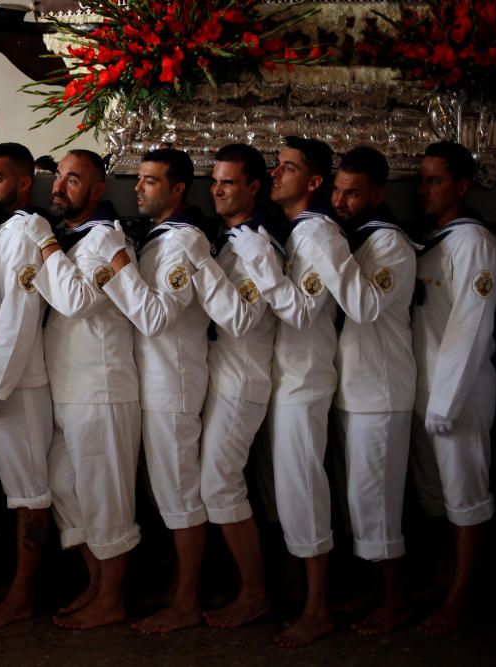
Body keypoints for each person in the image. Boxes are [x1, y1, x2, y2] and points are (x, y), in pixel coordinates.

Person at [293, 146, 418, 634]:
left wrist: (327, 245)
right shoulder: (352, 238)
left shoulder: (389, 245)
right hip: (354, 387)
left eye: (354, 194)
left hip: (381, 390)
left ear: (379, 195)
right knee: (357, 499)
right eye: (338, 192)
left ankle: (396, 599)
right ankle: (373, 590)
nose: (341, 203)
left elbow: (362, 306)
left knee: (378, 501)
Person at [89, 149, 212, 633]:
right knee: (163, 493)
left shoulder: (183, 243)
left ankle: (187, 602)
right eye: (138, 180)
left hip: (174, 383)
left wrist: (118, 264)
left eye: (150, 181)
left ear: (178, 189)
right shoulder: (161, 238)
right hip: (151, 380)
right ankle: (176, 589)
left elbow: (156, 317)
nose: (138, 189)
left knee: (180, 492)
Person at [18, 149, 142, 630]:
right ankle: (95, 586)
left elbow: (73, 301)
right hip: (68, 387)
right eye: (58, 178)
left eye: (74, 180)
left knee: (106, 496)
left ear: (96, 191)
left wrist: (46, 246)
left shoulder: (105, 239)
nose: (59, 186)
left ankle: (113, 599)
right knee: (68, 489)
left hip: (102, 387)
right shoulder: (74, 236)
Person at [227, 136, 339, 647]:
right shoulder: (290, 229)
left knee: (303, 488)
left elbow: (299, 310)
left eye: (288, 168)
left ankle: (318, 608)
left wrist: (260, 263)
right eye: (276, 165)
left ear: (314, 183)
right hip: (279, 376)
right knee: (279, 489)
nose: (276, 174)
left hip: (304, 378)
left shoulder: (317, 235)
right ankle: (293, 589)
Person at [410, 141, 496, 635]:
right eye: (422, 179)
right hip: (426, 389)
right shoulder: (435, 240)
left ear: (462, 187)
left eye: (436, 180)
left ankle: (462, 598)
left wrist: (445, 401)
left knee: (465, 495)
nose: (424, 189)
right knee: (434, 498)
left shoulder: (474, 243)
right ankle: (442, 583)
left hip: (459, 395)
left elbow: (469, 327)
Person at [192, 144, 280, 629]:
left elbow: (244, 319)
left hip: (244, 377)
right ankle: (243, 583)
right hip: (220, 373)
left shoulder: (255, 244)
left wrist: (200, 266)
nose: (218, 190)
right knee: (219, 485)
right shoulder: (228, 238)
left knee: (220, 484)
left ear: (253, 187)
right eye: (215, 181)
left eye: (229, 182)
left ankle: (255, 593)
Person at [0, 142, 53, 629]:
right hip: (1, 380)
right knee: (17, 492)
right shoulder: (4, 231)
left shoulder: (25, 233)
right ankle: (19, 583)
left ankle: (23, 595)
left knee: (29, 494)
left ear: (24, 182)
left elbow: (18, 321)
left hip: (18, 384)